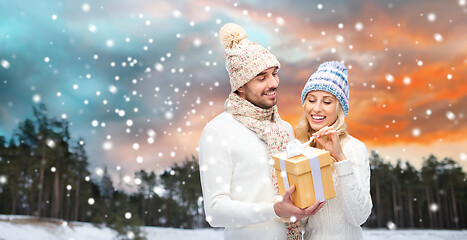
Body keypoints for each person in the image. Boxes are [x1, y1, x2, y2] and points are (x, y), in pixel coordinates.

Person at [198, 23, 322, 240]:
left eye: (274, 73)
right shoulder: (218, 131)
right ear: (240, 86)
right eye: (261, 77)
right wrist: (273, 210)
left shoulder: (283, 129)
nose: (274, 83)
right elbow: (215, 212)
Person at [295, 61, 373, 240]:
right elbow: (301, 221)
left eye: (327, 101)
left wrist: (339, 158)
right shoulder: (301, 147)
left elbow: (359, 216)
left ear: (339, 108)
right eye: (311, 99)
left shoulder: (353, 148)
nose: (316, 108)